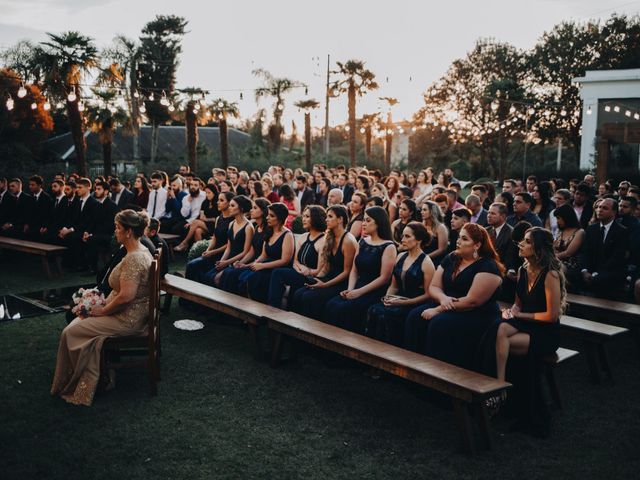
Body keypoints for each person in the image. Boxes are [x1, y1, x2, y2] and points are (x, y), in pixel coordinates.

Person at [51, 209, 153, 406]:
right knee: (77, 323)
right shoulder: (140, 251)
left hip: (127, 318)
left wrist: (101, 310)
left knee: (70, 332)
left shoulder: (134, 257)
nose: (115, 232)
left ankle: (78, 381)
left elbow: (126, 297)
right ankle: (97, 376)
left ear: (129, 232)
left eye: (117, 228)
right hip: (128, 312)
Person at [490, 227, 565, 436]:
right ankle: (501, 385)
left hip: (546, 332)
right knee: (500, 328)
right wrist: (510, 312)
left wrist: (519, 316)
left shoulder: (550, 274)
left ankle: (500, 387)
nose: (520, 244)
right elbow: (518, 305)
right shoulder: (523, 270)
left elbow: (551, 316)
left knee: (500, 340)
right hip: (526, 325)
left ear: (539, 248)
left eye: (527, 241)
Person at [403, 224, 503, 371]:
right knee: (415, 316)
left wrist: (439, 309)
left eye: (464, 239)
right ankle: (413, 368)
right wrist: (443, 299)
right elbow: (434, 287)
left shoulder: (488, 266)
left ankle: (440, 373)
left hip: (476, 313)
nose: (458, 241)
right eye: (459, 237)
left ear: (477, 245)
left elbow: (473, 301)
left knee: (440, 323)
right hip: (448, 303)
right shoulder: (452, 257)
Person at [323, 206, 397, 333]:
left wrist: (359, 292)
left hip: (373, 291)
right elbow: (354, 270)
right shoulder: (363, 241)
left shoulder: (389, 246)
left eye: (368, 220)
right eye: (363, 220)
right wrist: (351, 289)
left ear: (379, 223)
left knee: (344, 309)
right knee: (331, 305)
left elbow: (384, 278)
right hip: (357, 286)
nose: (363, 223)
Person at [366, 222, 435, 346]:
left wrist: (402, 302)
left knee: (387, 315)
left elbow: (428, 295)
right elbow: (394, 286)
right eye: (403, 236)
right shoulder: (400, 256)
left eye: (407, 236)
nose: (402, 239)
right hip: (397, 300)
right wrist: (387, 298)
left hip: (414, 303)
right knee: (374, 309)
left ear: (418, 240)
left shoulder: (427, 263)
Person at [292, 205, 358, 320]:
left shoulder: (348, 240)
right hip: (328, 278)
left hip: (341, 282)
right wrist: (317, 279)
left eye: (330, 216)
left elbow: (347, 272)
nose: (326, 219)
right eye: (326, 216)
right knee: (299, 293)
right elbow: (326, 266)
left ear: (340, 219)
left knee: (309, 297)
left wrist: (324, 285)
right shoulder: (329, 237)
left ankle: (311, 332)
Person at [267, 206, 326, 308]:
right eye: (303, 216)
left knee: (291, 282)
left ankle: (285, 312)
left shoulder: (324, 241)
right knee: (278, 272)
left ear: (316, 218)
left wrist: (308, 271)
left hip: (312, 277)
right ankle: (272, 309)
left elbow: (320, 270)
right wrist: (300, 269)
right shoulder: (303, 236)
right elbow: (295, 261)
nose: (303, 219)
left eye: (307, 216)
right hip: (299, 272)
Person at [242, 203, 295, 303]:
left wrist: (262, 266)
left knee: (255, 278)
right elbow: (263, 255)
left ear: (279, 218)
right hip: (266, 265)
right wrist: (255, 263)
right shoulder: (269, 231)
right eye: (268, 215)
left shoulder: (287, 235)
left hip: (279, 269)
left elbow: (285, 260)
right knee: (244, 276)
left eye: (271, 216)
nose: (267, 218)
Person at [577, 197, 628, 299]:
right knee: (572, 275)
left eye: (605, 208)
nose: (600, 210)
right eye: (599, 207)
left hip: (610, 270)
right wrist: (585, 270)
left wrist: (596, 274)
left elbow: (616, 258)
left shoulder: (622, 231)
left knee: (600, 280)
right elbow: (584, 252)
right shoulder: (591, 229)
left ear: (614, 212)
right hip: (590, 269)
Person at [219, 198, 270, 295]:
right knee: (228, 272)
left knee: (231, 273)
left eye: (255, 208)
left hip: (260, 264)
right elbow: (252, 251)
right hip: (253, 261)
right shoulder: (256, 227)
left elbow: (264, 255)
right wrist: (240, 262)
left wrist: (244, 265)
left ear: (263, 212)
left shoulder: (267, 230)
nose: (251, 210)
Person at [184, 192, 235, 284]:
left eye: (221, 200)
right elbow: (215, 237)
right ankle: (188, 296)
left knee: (205, 274)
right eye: (218, 200)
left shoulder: (233, 221)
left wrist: (213, 252)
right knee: (191, 265)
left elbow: (229, 244)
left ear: (229, 203)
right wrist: (208, 250)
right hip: (212, 253)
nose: (218, 202)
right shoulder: (219, 218)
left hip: (223, 255)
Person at [209, 195, 254, 286]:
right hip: (228, 258)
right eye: (229, 205)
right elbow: (228, 247)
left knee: (217, 279)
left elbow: (245, 252)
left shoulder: (249, 227)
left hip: (239, 261)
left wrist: (227, 263)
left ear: (241, 208)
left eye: (232, 206)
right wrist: (221, 262)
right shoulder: (231, 224)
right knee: (209, 276)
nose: (229, 208)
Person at [173, 183, 218, 252]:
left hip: (215, 225)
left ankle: (184, 242)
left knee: (195, 222)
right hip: (205, 224)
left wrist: (206, 219)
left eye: (209, 193)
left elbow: (217, 218)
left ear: (214, 193)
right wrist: (191, 223)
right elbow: (200, 216)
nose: (207, 194)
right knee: (197, 231)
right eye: (206, 193)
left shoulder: (218, 203)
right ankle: (200, 252)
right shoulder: (205, 202)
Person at [552, 204, 584, 288]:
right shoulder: (561, 231)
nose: (557, 221)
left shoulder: (579, 232)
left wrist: (552, 258)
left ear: (567, 217)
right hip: (557, 261)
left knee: (552, 268)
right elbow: (554, 247)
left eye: (559, 218)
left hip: (572, 265)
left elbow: (568, 253)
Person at [420, 200, 449, 267]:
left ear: (432, 211)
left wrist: (425, 258)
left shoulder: (440, 227)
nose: (421, 212)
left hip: (435, 261)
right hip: (421, 258)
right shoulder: (421, 226)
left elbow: (441, 250)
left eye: (424, 210)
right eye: (422, 210)